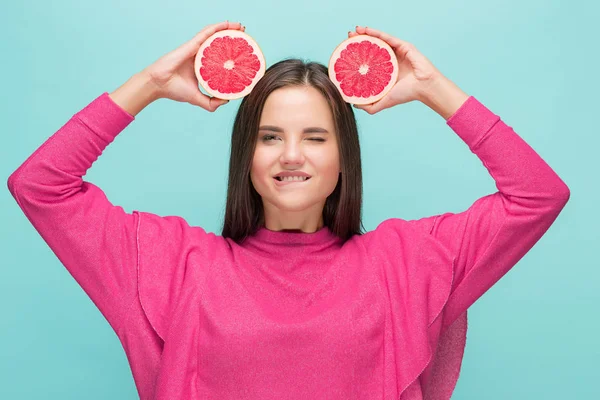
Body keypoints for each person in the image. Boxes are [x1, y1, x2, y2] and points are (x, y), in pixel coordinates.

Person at [7, 20, 570, 400]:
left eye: (316, 138)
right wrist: (150, 85)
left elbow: (538, 196)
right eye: (271, 136)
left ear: (344, 158)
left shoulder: (407, 259)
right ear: (245, 156)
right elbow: (40, 186)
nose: (293, 156)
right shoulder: (175, 262)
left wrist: (433, 88)